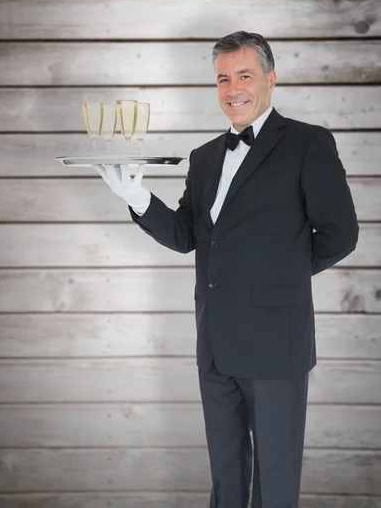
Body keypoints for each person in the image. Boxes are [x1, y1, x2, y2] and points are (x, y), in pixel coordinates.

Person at [94, 31, 359, 508]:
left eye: (244, 75)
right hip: (214, 345)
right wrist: (136, 198)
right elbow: (184, 237)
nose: (232, 88)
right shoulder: (205, 157)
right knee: (225, 477)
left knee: (275, 479)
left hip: (276, 343)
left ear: (271, 80)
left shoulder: (308, 144)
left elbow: (341, 234)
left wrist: (278, 280)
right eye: (222, 79)